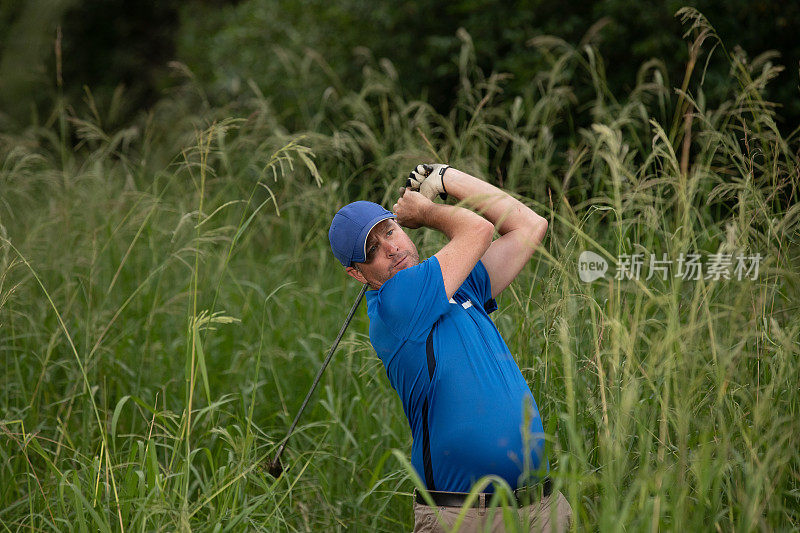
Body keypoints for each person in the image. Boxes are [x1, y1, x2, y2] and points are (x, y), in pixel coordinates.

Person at [328, 164, 572, 532]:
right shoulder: (396, 301)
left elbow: (529, 225)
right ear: (358, 274)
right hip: (466, 517)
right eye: (373, 250)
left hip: (538, 507)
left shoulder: (455, 286)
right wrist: (427, 212)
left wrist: (446, 177)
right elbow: (479, 229)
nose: (392, 249)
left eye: (389, 230)